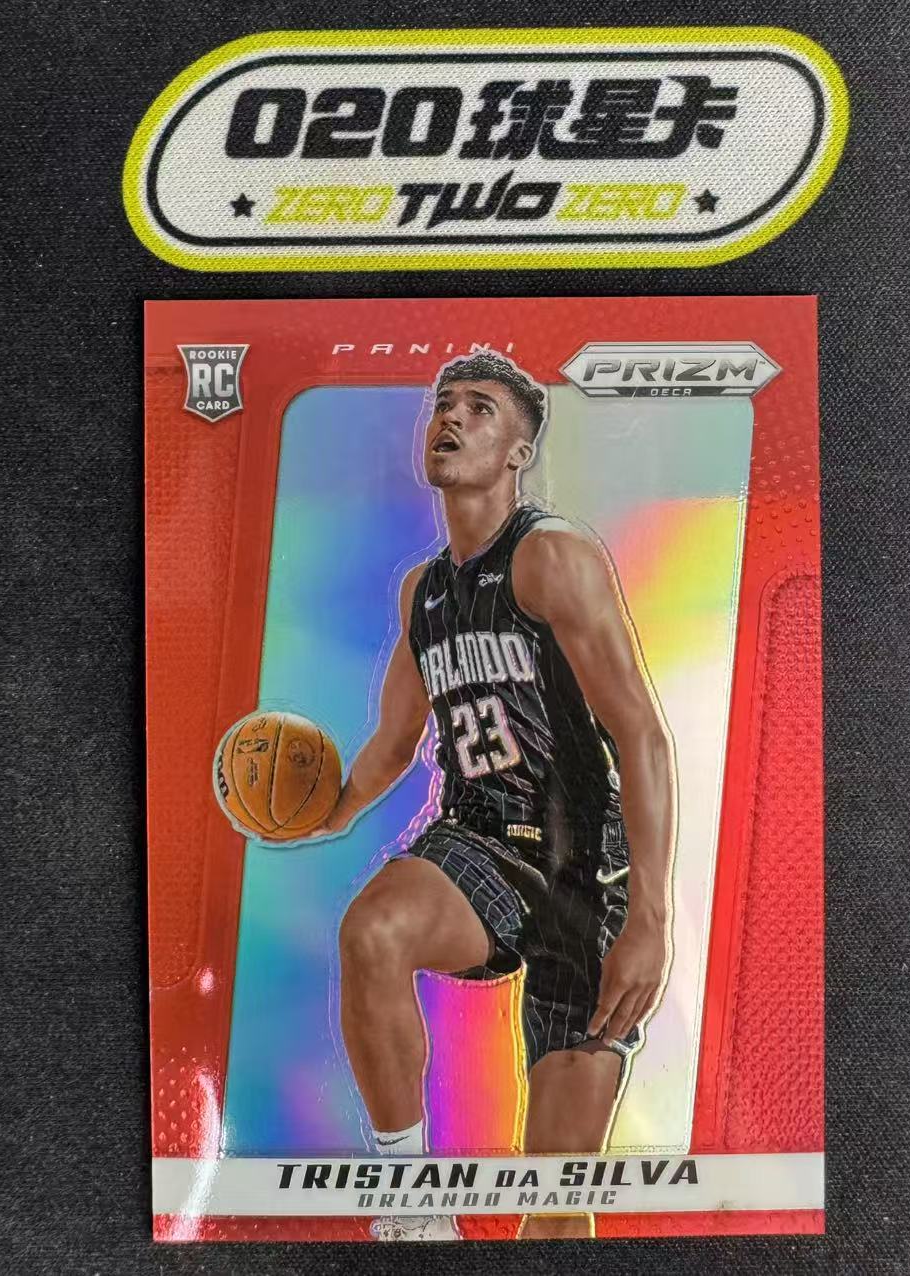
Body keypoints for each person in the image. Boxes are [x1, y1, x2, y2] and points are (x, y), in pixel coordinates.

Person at [304, 350, 676, 1241]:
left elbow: (643, 736)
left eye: (479, 408)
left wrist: (651, 919)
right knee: (373, 930)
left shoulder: (553, 557)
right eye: (444, 403)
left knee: (555, 1207)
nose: (452, 417)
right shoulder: (423, 592)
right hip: (481, 841)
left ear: (518, 451)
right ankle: (411, 1203)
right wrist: (328, 811)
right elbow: (396, 741)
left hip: (584, 866)